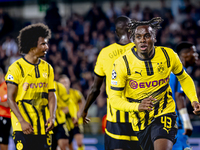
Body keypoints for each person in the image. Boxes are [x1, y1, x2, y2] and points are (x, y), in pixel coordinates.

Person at [109, 17, 200, 150]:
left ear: (154, 38)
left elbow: (184, 77)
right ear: (133, 40)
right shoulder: (122, 64)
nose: (143, 40)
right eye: (138, 36)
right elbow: (114, 99)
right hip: (139, 121)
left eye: (147, 36)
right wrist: (137, 106)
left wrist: (194, 100)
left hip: (165, 112)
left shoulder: (168, 55)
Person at [81, 16, 141, 150]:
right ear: (132, 30)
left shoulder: (105, 53)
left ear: (115, 33)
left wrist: (85, 109)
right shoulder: (143, 51)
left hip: (116, 117)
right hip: (140, 115)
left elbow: (95, 88)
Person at [5, 23, 57, 150]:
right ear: (32, 46)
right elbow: (10, 98)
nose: (47, 47)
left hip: (43, 127)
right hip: (23, 127)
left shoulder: (48, 68)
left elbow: (51, 95)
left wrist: (52, 116)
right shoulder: (16, 68)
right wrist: (22, 121)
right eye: (43, 44)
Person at [170, 42, 198, 150]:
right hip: (176, 122)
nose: (196, 56)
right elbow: (179, 96)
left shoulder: (169, 70)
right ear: (185, 55)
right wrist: (186, 122)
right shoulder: (181, 72)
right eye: (194, 52)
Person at [59, 75, 85, 150]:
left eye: (66, 82)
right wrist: (66, 110)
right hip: (65, 122)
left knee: (79, 142)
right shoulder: (57, 95)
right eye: (62, 83)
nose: (65, 84)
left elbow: (82, 101)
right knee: (69, 145)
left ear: (69, 82)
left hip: (76, 120)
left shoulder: (75, 93)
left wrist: (79, 112)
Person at [52, 81, 77, 150]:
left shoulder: (59, 87)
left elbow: (69, 103)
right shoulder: (36, 85)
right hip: (45, 123)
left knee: (63, 145)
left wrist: (74, 115)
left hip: (60, 121)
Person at [0, 68, 11, 150]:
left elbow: (8, 104)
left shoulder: (7, 86)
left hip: (5, 117)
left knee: (3, 141)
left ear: (2, 75)